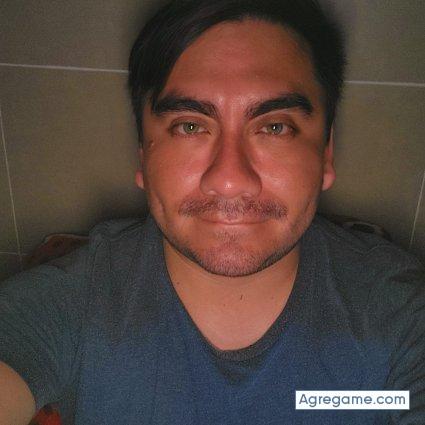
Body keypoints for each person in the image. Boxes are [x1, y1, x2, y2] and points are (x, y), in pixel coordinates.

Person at [0, 0, 424, 424]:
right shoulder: (67, 306)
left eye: (275, 127)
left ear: (325, 152)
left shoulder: (400, 314)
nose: (230, 180)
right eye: (190, 126)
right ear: (143, 153)